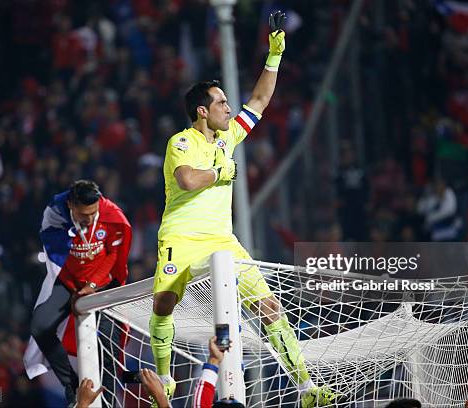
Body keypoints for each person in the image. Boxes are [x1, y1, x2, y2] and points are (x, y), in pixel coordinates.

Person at [148, 11, 336, 408]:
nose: (229, 108)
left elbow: (261, 100)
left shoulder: (229, 135)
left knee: (269, 306)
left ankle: (305, 389)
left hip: (222, 242)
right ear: (202, 110)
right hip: (181, 239)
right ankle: (165, 378)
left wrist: (274, 55)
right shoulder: (181, 142)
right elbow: (187, 180)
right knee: (163, 304)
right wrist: (221, 171)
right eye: (221, 102)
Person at [23, 180, 132, 406]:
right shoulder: (55, 215)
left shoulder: (113, 217)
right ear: (71, 205)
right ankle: (72, 386)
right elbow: (56, 256)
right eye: (84, 214)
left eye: (94, 213)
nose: (90, 219)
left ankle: (108, 402)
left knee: (108, 344)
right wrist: (76, 289)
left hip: (103, 284)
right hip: (69, 280)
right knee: (40, 326)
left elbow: (114, 257)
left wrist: (91, 285)